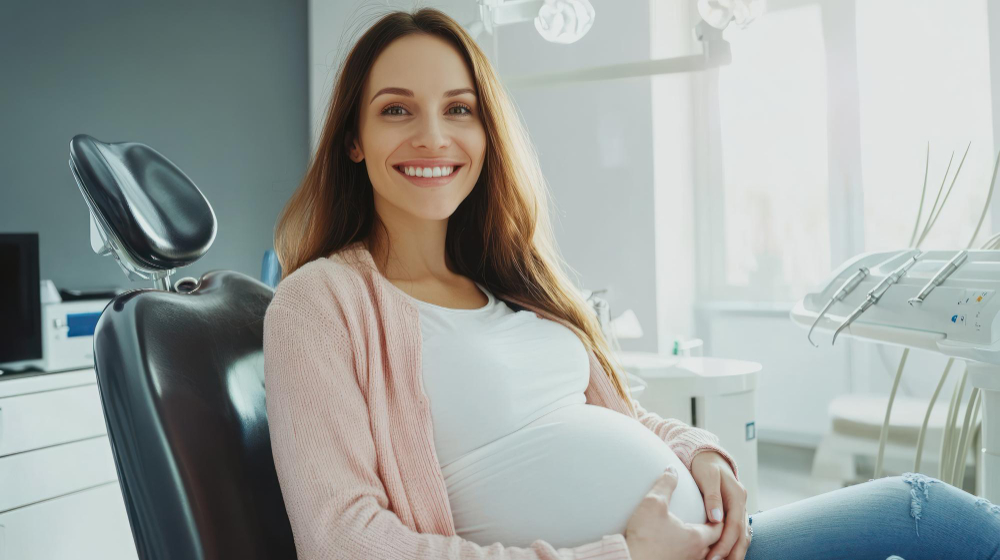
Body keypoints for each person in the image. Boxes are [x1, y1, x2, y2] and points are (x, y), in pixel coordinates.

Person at [262, 7, 1000, 560]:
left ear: (488, 134)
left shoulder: (513, 284)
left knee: (929, 519)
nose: (433, 136)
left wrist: (700, 452)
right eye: (397, 110)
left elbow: (633, 423)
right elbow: (345, 540)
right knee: (921, 513)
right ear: (353, 140)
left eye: (460, 110)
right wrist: (621, 556)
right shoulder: (321, 303)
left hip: (709, 547)